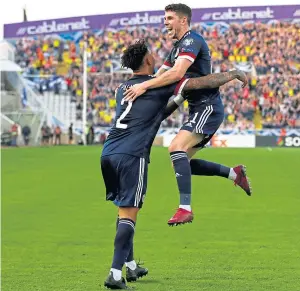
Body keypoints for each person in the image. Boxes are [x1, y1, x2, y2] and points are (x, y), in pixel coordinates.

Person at [101, 39, 247, 289]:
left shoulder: (123, 89)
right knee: (129, 214)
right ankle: (115, 273)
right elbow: (201, 83)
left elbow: (155, 113)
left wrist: (178, 102)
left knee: (123, 209)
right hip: (132, 156)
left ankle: (131, 266)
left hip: (109, 153)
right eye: (152, 55)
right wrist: (232, 74)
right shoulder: (159, 86)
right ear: (147, 61)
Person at [124, 3, 252, 226]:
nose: (165, 22)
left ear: (183, 20)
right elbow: (159, 75)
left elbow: (176, 73)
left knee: (175, 148)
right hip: (197, 108)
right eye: (164, 18)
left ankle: (185, 208)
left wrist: (143, 88)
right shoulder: (175, 49)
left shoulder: (192, 41)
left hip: (207, 107)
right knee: (180, 162)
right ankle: (234, 173)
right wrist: (138, 85)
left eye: (170, 18)